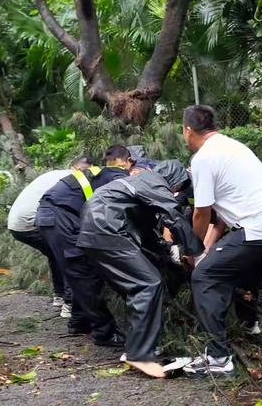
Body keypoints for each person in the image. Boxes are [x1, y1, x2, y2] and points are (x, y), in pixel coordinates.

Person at [168, 105, 262, 376]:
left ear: (188, 130)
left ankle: (218, 358)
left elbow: (202, 213)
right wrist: (208, 246)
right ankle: (250, 325)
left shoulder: (204, 158)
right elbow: (226, 211)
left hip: (259, 228)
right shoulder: (233, 147)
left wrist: (193, 252)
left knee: (204, 276)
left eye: (183, 132)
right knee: (245, 269)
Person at [76, 160, 204, 378]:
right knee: (147, 284)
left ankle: (138, 345)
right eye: (178, 188)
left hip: (95, 232)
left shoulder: (137, 183)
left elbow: (146, 234)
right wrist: (195, 253)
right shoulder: (154, 183)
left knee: (136, 286)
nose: (176, 193)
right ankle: (139, 354)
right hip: (108, 230)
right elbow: (173, 215)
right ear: (174, 181)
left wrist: (167, 255)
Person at [35, 145, 133, 347]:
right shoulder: (117, 176)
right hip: (60, 218)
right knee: (84, 273)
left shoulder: (98, 174)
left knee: (78, 270)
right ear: (127, 162)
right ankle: (104, 333)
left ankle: (79, 321)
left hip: (52, 217)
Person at [7, 156, 92, 315]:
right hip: (30, 223)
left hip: (16, 224)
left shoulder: (55, 174)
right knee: (70, 255)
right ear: (81, 169)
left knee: (55, 254)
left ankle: (59, 296)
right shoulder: (72, 180)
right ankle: (69, 303)